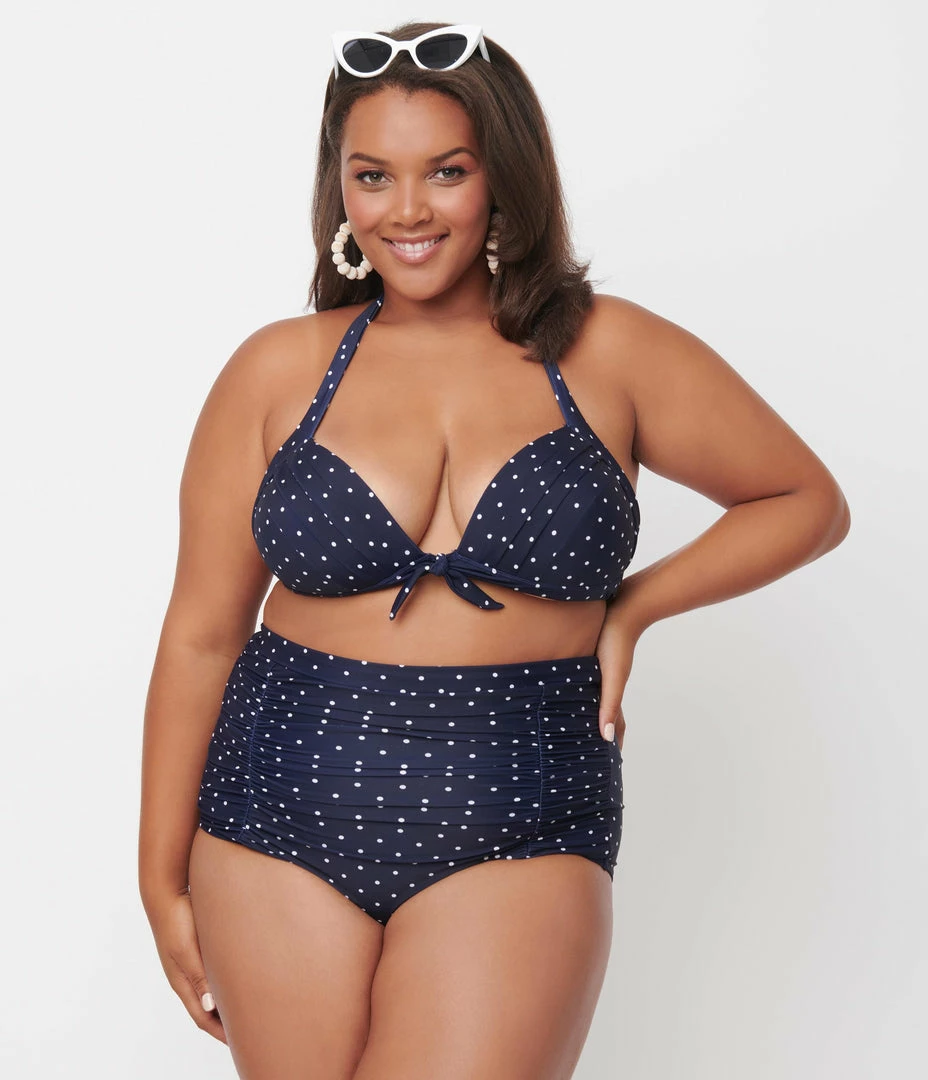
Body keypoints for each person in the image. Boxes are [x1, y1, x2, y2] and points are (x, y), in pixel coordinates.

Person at [138, 20, 851, 1080]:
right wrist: (159, 878)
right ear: (339, 191)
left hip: (521, 799)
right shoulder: (276, 370)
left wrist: (633, 606)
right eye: (372, 176)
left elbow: (803, 501)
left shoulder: (609, 350)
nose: (406, 210)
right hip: (280, 796)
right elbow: (202, 636)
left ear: (503, 178)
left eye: (447, 171)